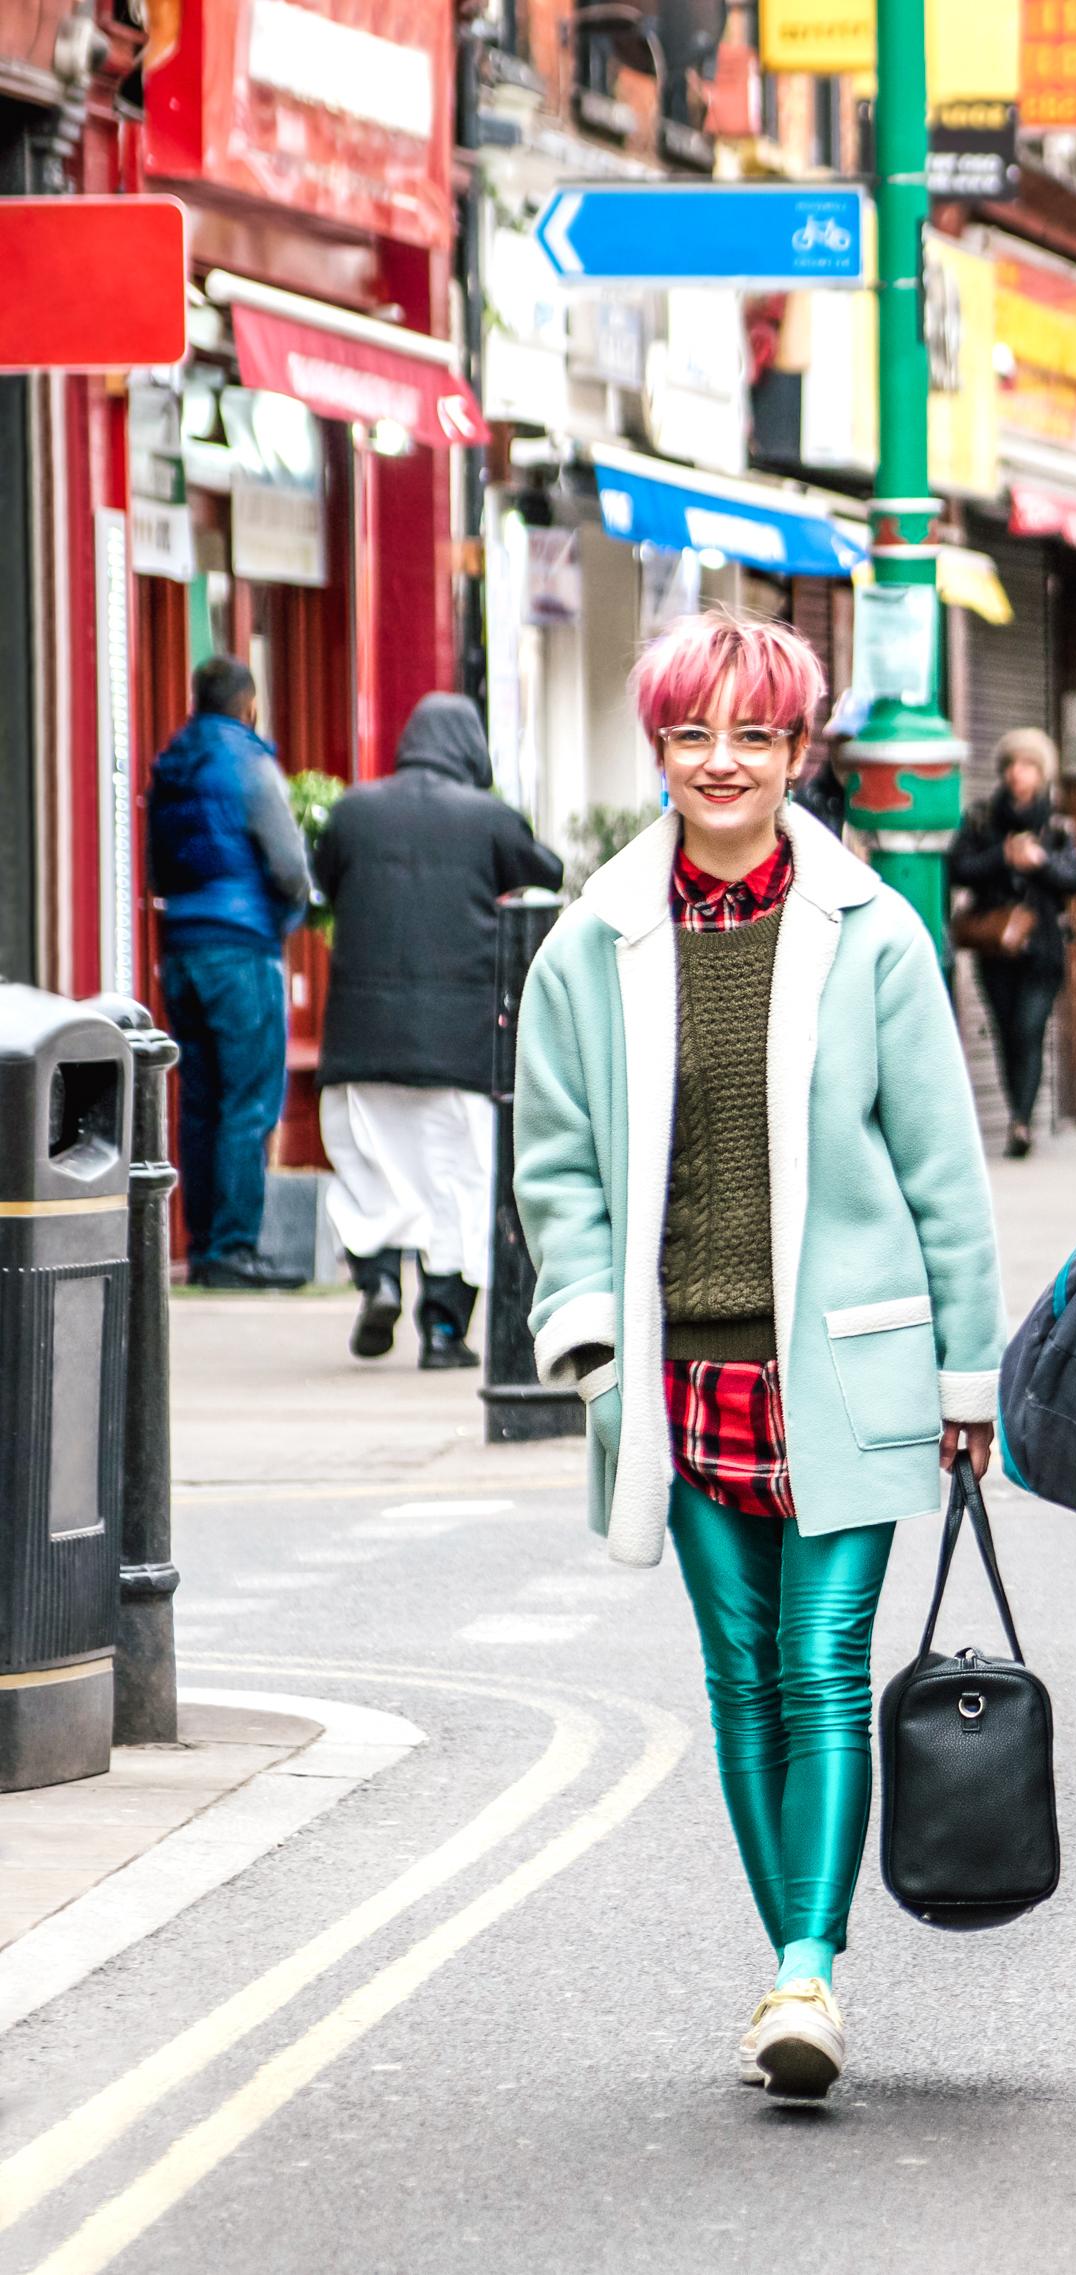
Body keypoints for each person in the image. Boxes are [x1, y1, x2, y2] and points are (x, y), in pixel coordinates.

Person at [514, 609, 1003, 2102]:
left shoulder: (873, 932)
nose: (720, 762)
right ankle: (790, 1957)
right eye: (690, 734)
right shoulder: (593, 943)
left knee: (822, 1663)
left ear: (801, 749)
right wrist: (591, 1338)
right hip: (677, 1374)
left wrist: (965, 1375)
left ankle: (807, 1967)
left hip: (846, 1365)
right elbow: (559, 1167)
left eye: (753, 734)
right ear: (659, 746)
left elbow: (943, 1169)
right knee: (738, 1677)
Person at [310, 693, 562, 1367]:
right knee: (459, 1183)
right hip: (460, 1040)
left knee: (371, 1172)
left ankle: (380, 1277)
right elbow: (549, 876)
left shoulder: (353, 811)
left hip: (361, 1035)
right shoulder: (489, 820)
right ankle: (445, 1332)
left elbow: (322, 881)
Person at [148, 657, 311, 1287]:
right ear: (248, 703)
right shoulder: (249, 762)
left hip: (182, 947)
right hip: (241, 950)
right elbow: (289, 862)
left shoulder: (173, 764)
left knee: (200, 1100)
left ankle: (205, 1242)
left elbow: (160, 867)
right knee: (247, 1102)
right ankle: (236, 1250)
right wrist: (291, 914)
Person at [947, 729, 1076, 1157]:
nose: (1015, 774)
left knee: (1029, 1029)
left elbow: (1074, 879)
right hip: (996, 947)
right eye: (1010, 766)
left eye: (1026, 765)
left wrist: (1039, 861)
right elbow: (958, 867)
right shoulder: (983, 819)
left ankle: (1021, 1122)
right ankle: (1017, 1114)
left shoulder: (1058, 826)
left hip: (1042, 948)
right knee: (1007, 1033)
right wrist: (1002, 858)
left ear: (1041, 772)